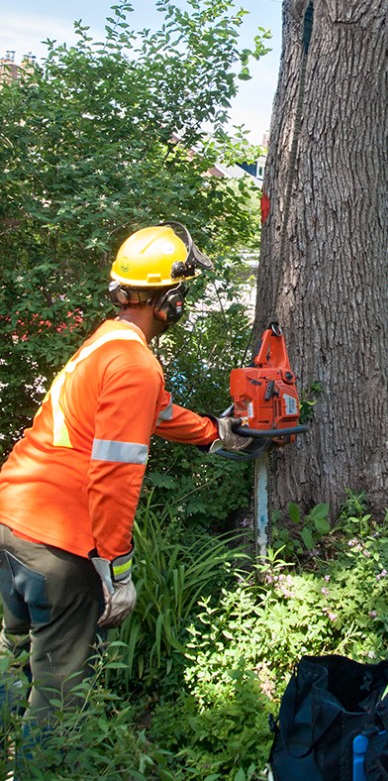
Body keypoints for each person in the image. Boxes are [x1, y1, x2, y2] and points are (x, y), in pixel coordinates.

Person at [0, 222, 250, 764]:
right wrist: (116, 569)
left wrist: (214, 432)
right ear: (169, 300)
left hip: (13, 516)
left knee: (15, 655)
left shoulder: (109, 341)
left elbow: (154, 411)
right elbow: (114, 476)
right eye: (181, 294)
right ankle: (44, 770)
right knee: (61, 686)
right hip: (59, 543)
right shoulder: (136, 363)